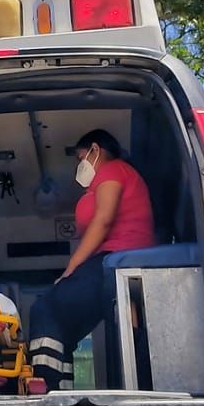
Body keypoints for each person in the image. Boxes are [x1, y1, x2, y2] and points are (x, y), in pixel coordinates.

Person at [28, 129, 156, 390]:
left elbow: (104, 219)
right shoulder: (113, 176)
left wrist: (71, 269)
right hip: (111, 261)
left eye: (81, 157)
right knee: (66, 329)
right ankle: (58, 390)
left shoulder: (113, 170)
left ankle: (47, 388)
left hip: (116, 259)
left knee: (44, 308)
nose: (80, 165)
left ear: (96, 151)